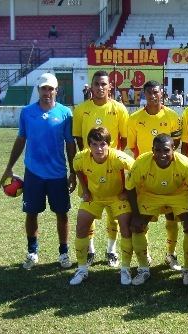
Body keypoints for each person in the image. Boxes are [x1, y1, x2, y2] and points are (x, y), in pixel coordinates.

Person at [0, 73, 76, 270]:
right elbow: (21, 140)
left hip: (58, 174)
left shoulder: (65, 113)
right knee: (31, 213)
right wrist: (9, 167)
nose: (47, 92)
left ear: (56, 90)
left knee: (62, 214)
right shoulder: (27, 112)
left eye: (50, 88)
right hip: (33, 173)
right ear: (38, 90)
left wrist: (73, 172)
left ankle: (63, 253)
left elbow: (70, 144)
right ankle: (32, 252)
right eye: (43, 88)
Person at [126, 134, 188, 285]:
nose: (162, 154)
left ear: (174, 149)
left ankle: (187, 269)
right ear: (152, 150)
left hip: (178, 194)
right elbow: (129, 188)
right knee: (136, 226)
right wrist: (136, 215)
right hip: (150, 194)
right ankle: (143, 268)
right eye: (158, 150)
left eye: (166, 150)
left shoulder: (185, 163)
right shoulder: (141, 162)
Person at [73, 70, 129, 268]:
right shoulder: (80, 109)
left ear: (110, 87)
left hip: (113, 167)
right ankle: (89, 249)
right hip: (90, 168)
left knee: (114, 213)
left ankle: (111, 250)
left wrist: (113, 160)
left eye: (104, 84)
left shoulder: (119, 109)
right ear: (91, 86)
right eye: (96, 84)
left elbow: (123, 138)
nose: (100, 88)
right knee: (91, 205)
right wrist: (89, 160)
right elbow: (79, 138)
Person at [127, 80, 182, 271]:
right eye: (149, 93)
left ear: (162, 94)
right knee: (145, 217)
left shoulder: (173, 116)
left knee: (171, 216)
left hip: (169, 172)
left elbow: (176, 143)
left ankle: (171, 254)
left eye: (156, 92)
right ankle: (146, 254)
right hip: (145, 174)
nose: (153, 96)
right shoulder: (134, 118)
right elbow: (133, 147)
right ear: (144, 95)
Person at [69, 127, 134, 285]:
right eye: (94, 144)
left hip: (116, 197)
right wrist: (84, 189)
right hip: (95, 197)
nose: (99, 148)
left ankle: (125, 268)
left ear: (109, 144)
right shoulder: (80, 158)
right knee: (81, 225)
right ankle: (82, 268)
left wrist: (127, 191)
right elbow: (77, 170)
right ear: (88, 145)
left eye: (102, 144)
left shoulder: (118, 157)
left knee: (125, 227)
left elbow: (136, 170)